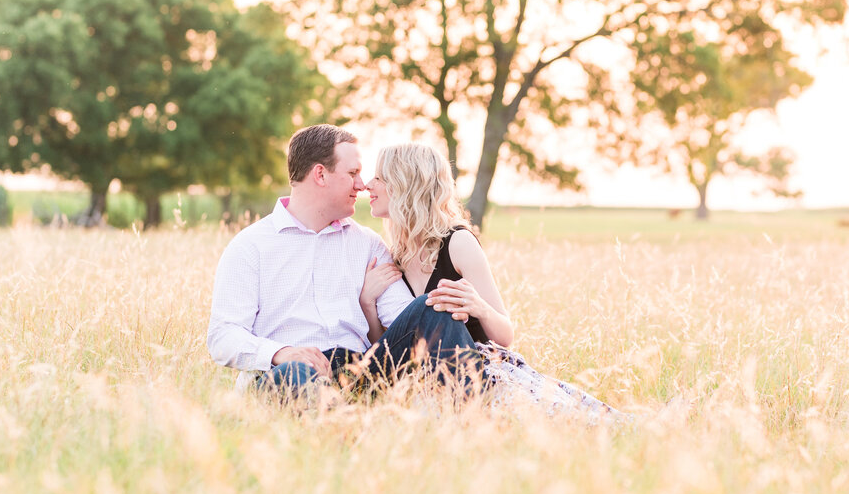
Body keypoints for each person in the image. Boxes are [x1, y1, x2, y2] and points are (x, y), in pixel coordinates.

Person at [206, 125, 483, 399]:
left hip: (362, 372)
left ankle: (473, 414)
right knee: (296, 376)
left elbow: (402, 317)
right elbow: (222, 336)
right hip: (292, 371)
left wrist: (390, 312)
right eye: (353, 173)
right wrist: (281, 353)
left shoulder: (367, 244)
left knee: (430, 307)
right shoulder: (250, 246)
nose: (362, 185)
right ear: (320, 174)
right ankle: (339, 427)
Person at [363, 143, 619, 418]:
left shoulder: (458, 243)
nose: (368, 184)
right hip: (424, 381)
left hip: (478, 371)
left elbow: (505, 335)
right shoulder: (397, 255)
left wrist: (479, 307)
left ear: (406, 184)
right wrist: (367, 302)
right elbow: (393, 346)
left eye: (379, 177)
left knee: (580, 420)